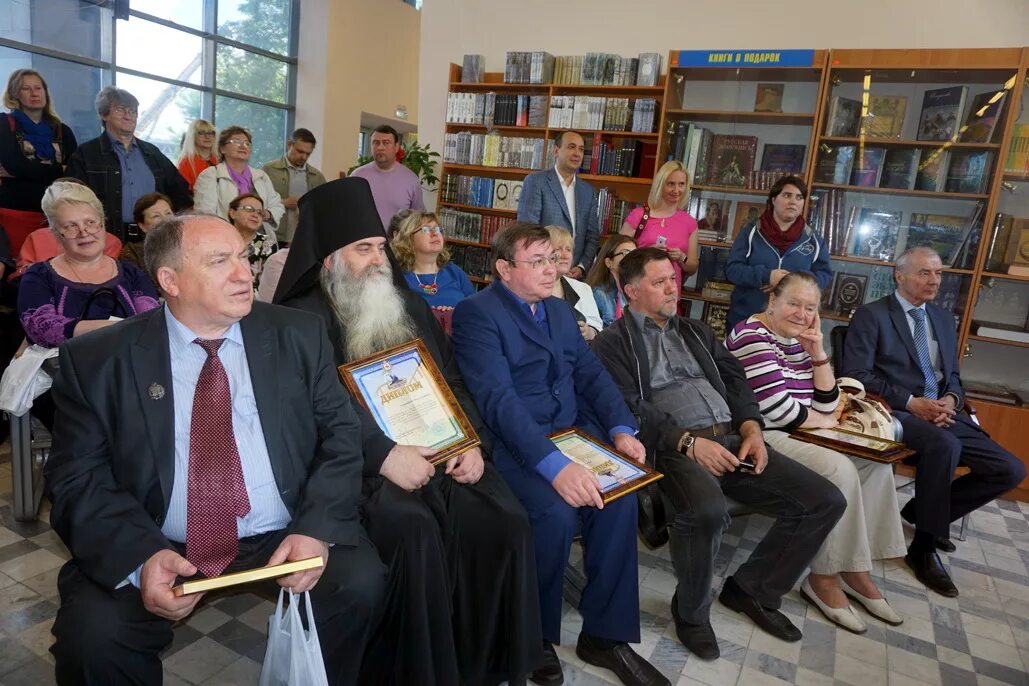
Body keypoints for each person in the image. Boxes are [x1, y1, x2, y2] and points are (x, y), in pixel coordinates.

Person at [45, 212, 387, 685]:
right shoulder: (99, 360)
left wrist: (316, 527)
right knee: (92, 639)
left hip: (283, 528)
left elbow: (342, 435)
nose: (244, 273)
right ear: (170, 280)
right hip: (157, 535)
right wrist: (142, 558)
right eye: (220, 261)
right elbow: (77, 478)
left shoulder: (297, 334)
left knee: (361, 585)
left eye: (244, 257)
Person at [275, 178, 541, 686]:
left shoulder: (406, 302)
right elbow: (308, 412)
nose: (378, 260)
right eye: (362, 249)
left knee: (504, 519)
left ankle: (482, 668)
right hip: (356, 467)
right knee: (413, 531)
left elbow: (453, 380)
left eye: (379, 246)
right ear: (328, 258)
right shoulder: (299, 319)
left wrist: (469, 441)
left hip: (439, 451)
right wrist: (382, 455)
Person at [591, 247, 846, 659]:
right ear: (631, 290)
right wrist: (689, 443)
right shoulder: (612, 343)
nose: (673, 288)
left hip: (734, 436)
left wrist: (752, 429)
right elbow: (627, 406)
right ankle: (691, 614)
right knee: (707, 512)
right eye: (660, 282)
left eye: (673, 279)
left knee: (824, 500)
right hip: (674, 447)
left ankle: (752, 589)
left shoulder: (695, 332)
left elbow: (736, 380)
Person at [452, 223, 668, 686]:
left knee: (619, 498)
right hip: (515, 445)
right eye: (538, 262)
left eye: (553, 259)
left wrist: (620, 428)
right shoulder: (478, 313)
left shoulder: (558, 310)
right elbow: (496, 400)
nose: (552, 270)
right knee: (554, 513)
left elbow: (590, 374)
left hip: (572, 434)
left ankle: (605, 635)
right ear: (504, 269)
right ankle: (534, 635)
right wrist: (554, 467)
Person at [725, 272, 906, 632]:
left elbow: (830, 400)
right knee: (840, 470)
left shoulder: (796, 339)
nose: (802, 314)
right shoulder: (751, 335)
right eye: (793, 303)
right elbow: (776, 410)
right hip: (761, 435)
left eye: (810, 308)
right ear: (771, 300)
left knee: (876, 465)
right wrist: (823, 421)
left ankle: (856, 569)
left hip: (800, 431)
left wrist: (819, 353)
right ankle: (822, 578)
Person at [843, 247, 1025, 597]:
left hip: (942, 410)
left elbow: (953, 376)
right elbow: (856, 374)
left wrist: (951, 400)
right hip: (895, 411)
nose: (934, 281)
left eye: (938, 274)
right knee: (946, 445)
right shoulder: (872, 315)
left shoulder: (942, 319)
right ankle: (923, 548)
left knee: (1010, 470)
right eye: (924, 273)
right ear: (900, 275)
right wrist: (914, 403)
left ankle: (923, 512)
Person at [17, 180, 158, 349]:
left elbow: (151, 323)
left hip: (129, 370)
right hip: (63, 372)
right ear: (56, 233)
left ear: (103, 224)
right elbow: (45, 330)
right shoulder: (38, 276)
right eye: (71, 226)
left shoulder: (132, 273)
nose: (83, 232)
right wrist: (120, 328)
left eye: (90, 222)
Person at [67, 86, 192, 240]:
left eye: (132, 111)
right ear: (103, 114)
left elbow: (181, 193)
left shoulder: (152, 153)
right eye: (120, 110)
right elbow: (71, 200)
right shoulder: (86, 154)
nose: (128, 116)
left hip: (153, 237)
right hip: (105, 237)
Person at [724, 175, 831, 330]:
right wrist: (766, 276)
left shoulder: (814, 240)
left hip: (793, 325)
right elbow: (732, 270)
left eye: (799, 197)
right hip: (747, 320)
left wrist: (790, 281)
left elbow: (824, 276)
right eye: (787, 195)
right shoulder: (751, 233)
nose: (793, 201)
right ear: (774, 199)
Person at [0, 69, 77, 247]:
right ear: (15, 94)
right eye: (26, 88)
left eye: (38, 88)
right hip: (16, 212)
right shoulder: (4, 124)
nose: (34, 93)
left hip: (58, 214)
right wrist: (59, 170)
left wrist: (23, 170)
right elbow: (14, 165)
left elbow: (73, 173)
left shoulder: (62, 130)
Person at [517, 131, 600, 277]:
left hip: (575, 274)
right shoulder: (536, 182)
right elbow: (528, 230)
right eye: (571, 147)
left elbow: (592, 236)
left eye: (581, 149)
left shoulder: (588, 191)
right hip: (542, 270)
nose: (577, 153)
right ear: (556, 151)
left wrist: (581, 267)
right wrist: (550, 263)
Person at [619, 160, 699, 293]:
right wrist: (645, 253)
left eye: (681, 184)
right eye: (670, 184)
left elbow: (692, 267)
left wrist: (681, 257)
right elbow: (618, 255)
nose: (676, 190)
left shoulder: (689, 223)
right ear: (660, 185)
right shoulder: (639, 215)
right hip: (639, 294)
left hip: (670, 296)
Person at [193, 125, 284, 236]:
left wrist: (268, 214)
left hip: (261, 239)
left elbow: (277, 205)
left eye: (247, 143)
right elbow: (205, 214)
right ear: (222, 148)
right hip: (225, 238)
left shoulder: (261, 175)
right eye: (236, 142)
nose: (243, 146)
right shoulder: (211, 174)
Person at [391, 210, 475, 309]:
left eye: (438, 229)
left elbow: (474, 312)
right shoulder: (398, 278)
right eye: (426, 230)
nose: (435, 234)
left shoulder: (455, 272)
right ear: (409, 239)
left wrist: (453, 315)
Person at [349, 125, 425, 232]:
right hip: (364, 243)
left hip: (397, 245)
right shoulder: (357, 176)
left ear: (397, 147)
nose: (380, 147)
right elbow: (348, 212)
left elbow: (418, 218)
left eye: (386, 143)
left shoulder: (411, 179)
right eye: (376, 142)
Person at [262, 127, 327, 244]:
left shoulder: (317, 176)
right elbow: (257, 204)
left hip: (304, 238)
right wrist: (284, 202)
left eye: (308, 154)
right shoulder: (268, 170)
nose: (304, 157)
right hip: (274, 236)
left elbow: (324, 208)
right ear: (289, 145)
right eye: (300, 151)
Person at [547, 225, 602, 340]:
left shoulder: (583, 288)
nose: (565, 255)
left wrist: (589, 332)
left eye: (568, 250)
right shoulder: (531, 288)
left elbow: (597, 327)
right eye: (558, 249)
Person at [227, 192, 278, 293]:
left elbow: (269, 287)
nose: (255, 215)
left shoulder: (267, 244)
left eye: (260, 212)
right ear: (232, 213)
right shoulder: (218, 240)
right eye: (249, 209)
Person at [587, 234, 636, 329]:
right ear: (609, 262)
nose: (632, 258)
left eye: (635, 254)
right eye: (626, 253)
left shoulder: (637, 292)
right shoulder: (597, 293)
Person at [118, 192, 174, 268]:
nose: (165, 220)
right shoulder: (133, 253)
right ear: (142, 226)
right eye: (156, 216)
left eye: (168, 213)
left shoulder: (187, 245)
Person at [175, 119, 218, 191]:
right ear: (193, 136)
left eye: (210, 133)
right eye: (201, 133)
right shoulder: (186, 162)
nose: (207, 137)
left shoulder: (220, 160)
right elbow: (182, 193)